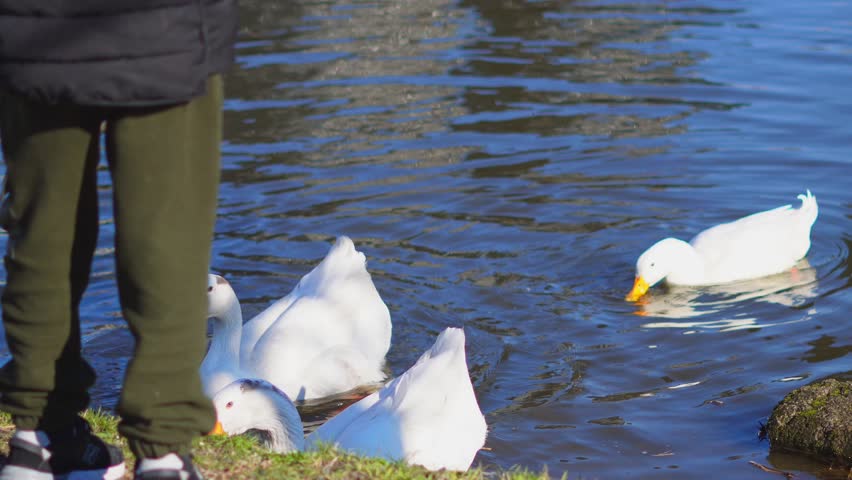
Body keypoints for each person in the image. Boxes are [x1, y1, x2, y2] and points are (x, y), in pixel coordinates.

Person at [0, 1, 238, 479]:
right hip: (165, 27)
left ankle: (39, 441)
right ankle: (163, 453)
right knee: (168, 231)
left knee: (42, 220)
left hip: (36, 27)